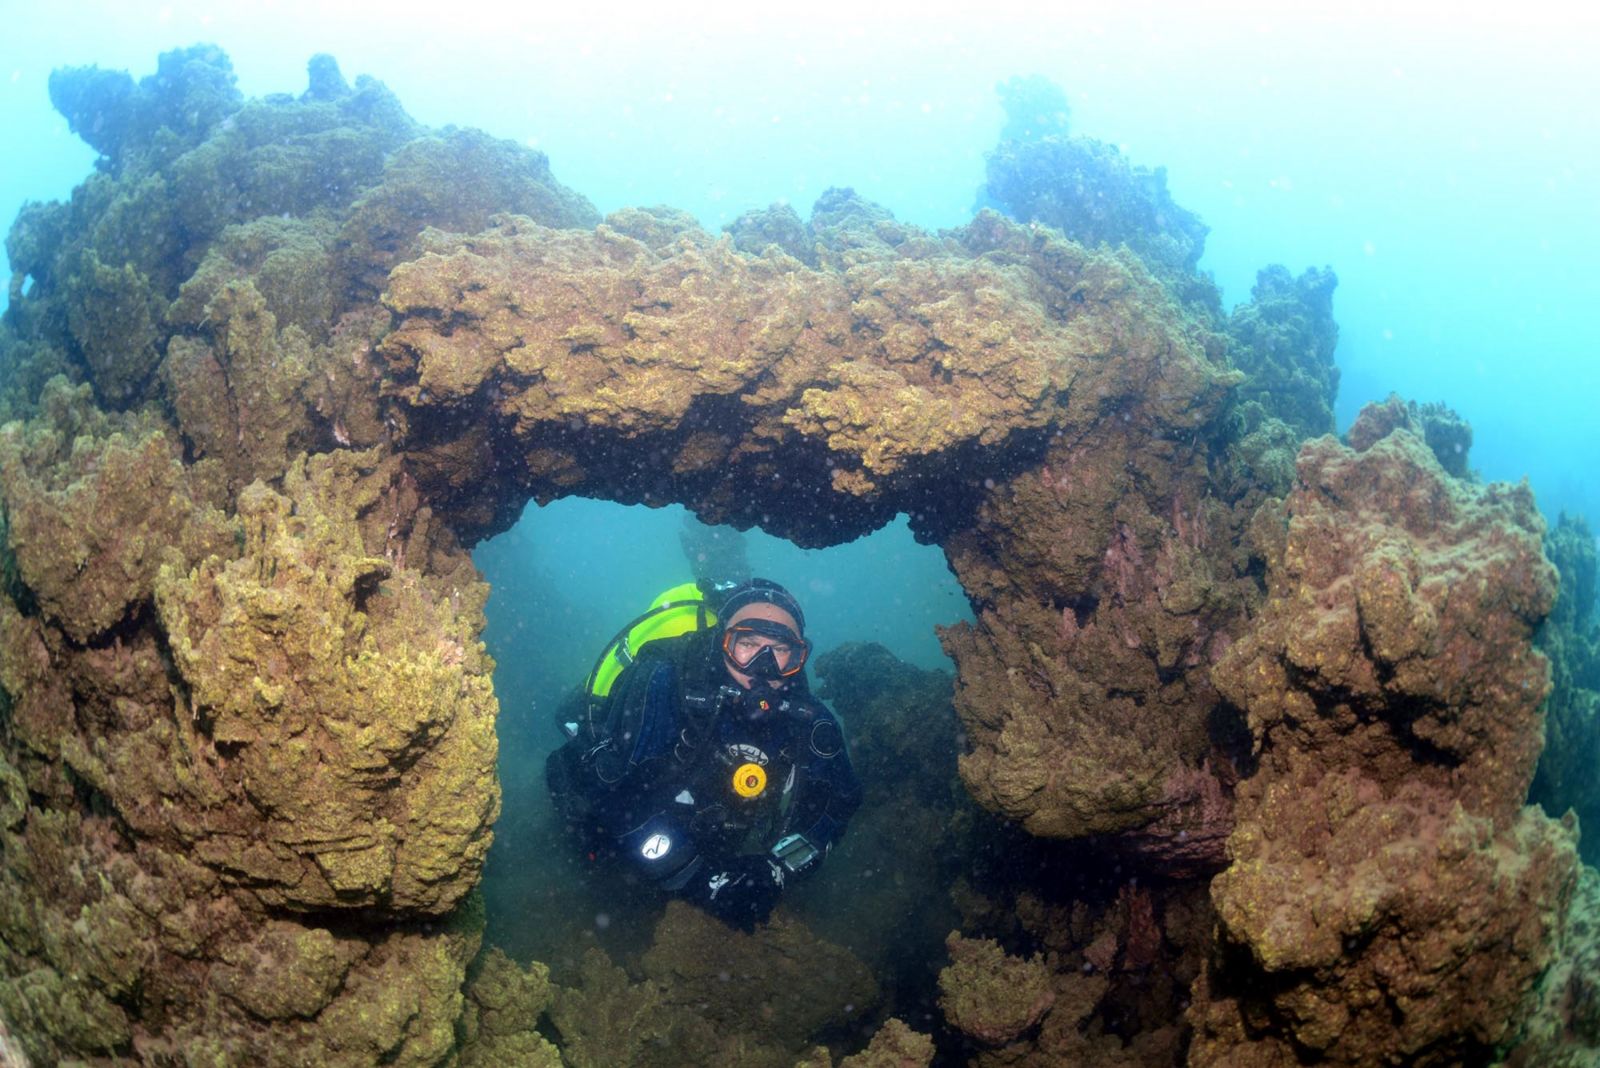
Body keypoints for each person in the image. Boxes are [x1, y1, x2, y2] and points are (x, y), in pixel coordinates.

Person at [547, 578, 861, 927]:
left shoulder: (808, 717)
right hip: (627, 839)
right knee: (604, 876)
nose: (764, 665)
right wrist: (701, 880)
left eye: (781, 649)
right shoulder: (665, 684)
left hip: (711, 838)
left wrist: (779, 868)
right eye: (748, 643)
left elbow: (838, 802)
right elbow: (614, 799)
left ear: (798, 656)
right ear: (722, 641)